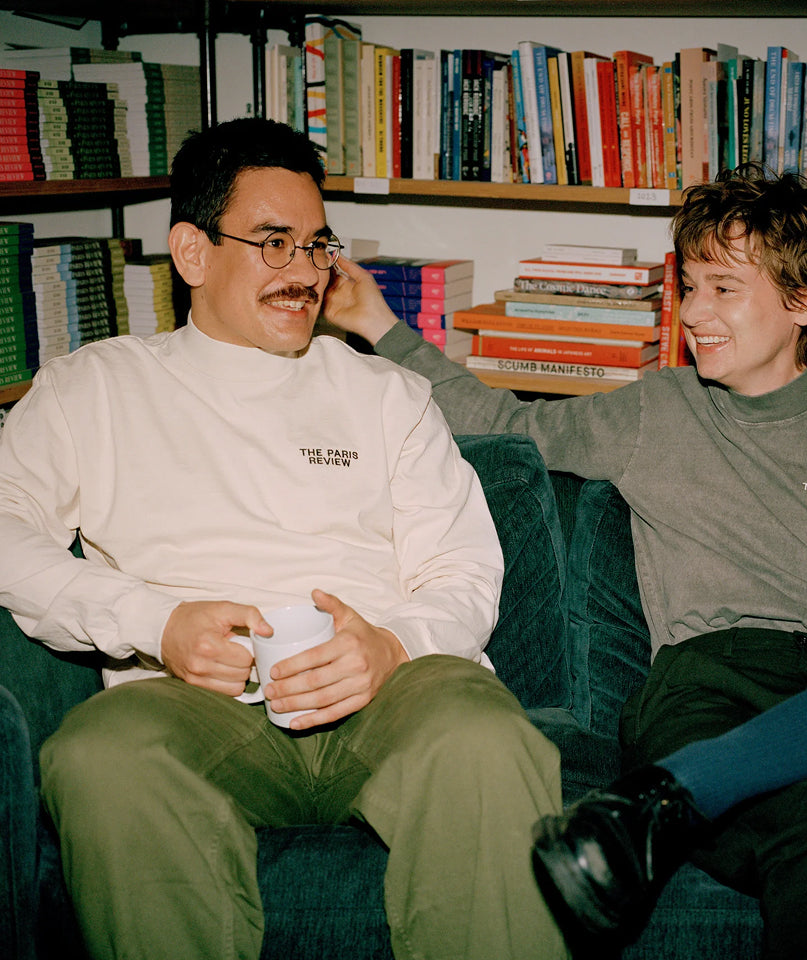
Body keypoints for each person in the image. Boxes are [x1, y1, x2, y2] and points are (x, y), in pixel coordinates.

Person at [323, 163, 807, 959]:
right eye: (689, 286)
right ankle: (691, 780)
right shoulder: (660, 409)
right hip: (706, 693)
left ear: (805, 302)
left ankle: (667, 801)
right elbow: (499, 421)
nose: (694, 313)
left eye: (723, 289)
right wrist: (380, 325)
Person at [0, 117, 569, 960]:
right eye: (274, 243)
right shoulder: (95, 388)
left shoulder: (387, 395)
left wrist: (391, 646)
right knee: (98, 754)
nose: (305, 272)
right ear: (192, 253)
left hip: (391, 695)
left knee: (486, 738)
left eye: (317, 245)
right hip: (195, 705)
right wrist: (154, 622)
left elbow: (462, 571)